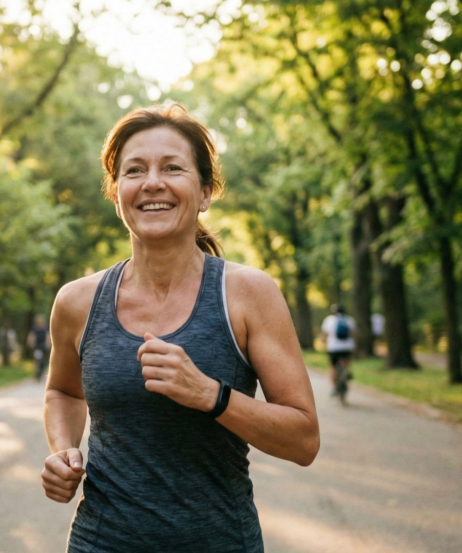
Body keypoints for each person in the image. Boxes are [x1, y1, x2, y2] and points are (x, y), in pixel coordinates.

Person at [41, 103, 320, 552]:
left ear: (205, 193)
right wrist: (62, 450)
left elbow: (304, 439)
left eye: (172, 167)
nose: (153, 182)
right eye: (134, 170)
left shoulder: (248, 294)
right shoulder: (77, 302)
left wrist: (211, 395)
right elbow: (64, 392)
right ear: (116, 194)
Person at [320, 304, 356, 394]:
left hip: (334, 348)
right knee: (346, 363)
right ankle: (347, 373)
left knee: (333, 367)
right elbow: (353, 334)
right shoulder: (349, 320)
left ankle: (334, 387)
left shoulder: (329, 320)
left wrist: (323, 342)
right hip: (347, 347)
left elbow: (324, 335)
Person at [27, 315, 51, 381]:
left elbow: (48, 336)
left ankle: (42, 370)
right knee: (36, 359)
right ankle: (36, 371)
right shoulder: (34, 328)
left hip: (43, 347)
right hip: (37, 346)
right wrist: (30, 343)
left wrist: (48, 344)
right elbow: (31, 336)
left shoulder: (45, 328)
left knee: (44, 360)